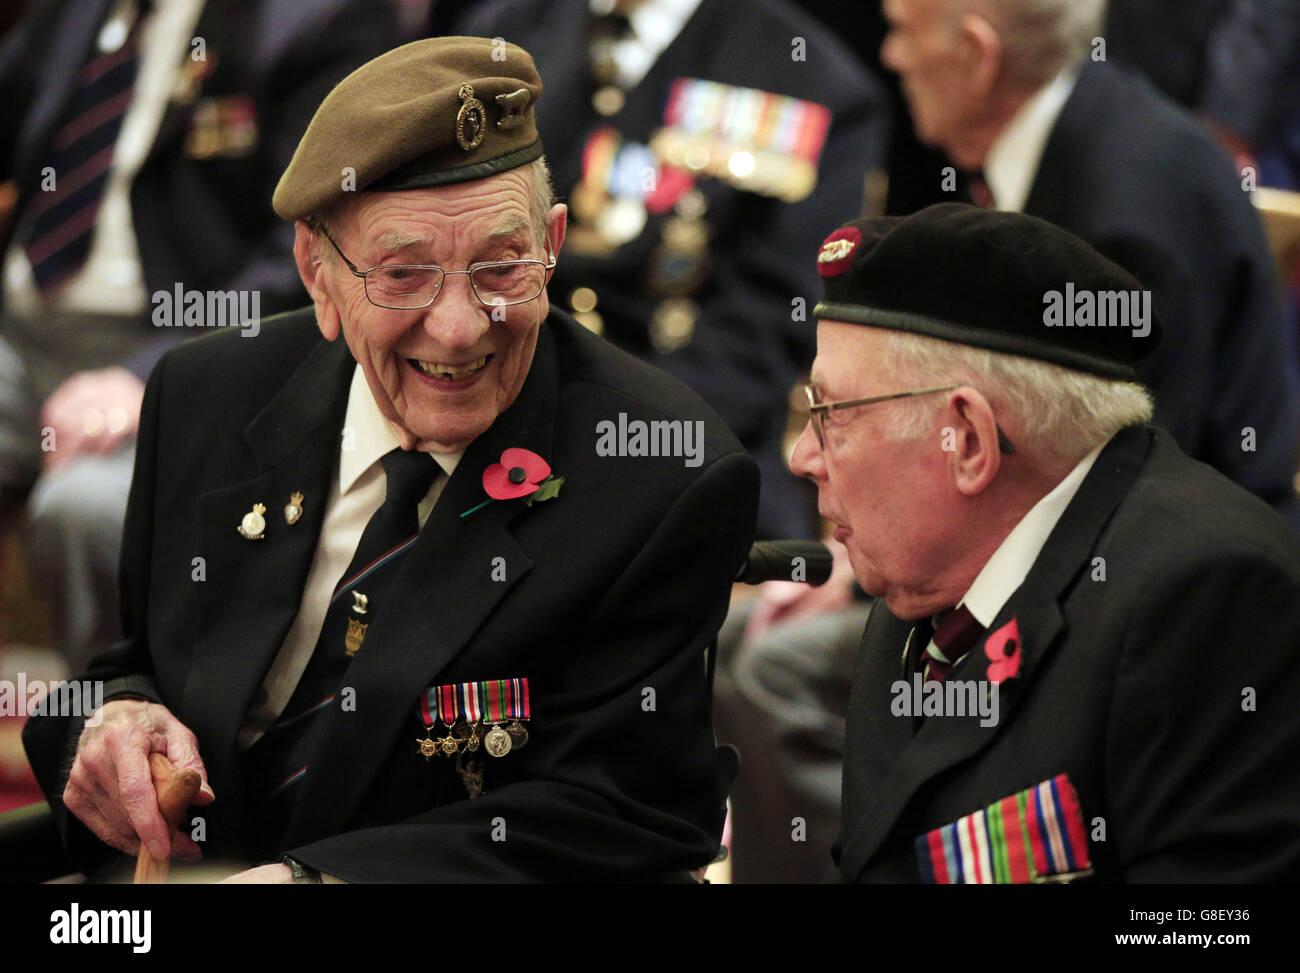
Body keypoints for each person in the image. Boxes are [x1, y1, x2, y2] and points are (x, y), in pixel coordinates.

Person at [22, 36, 759, 883]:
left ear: (552, 244)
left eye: (501, 265)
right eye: (403, 275)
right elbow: (131, 661)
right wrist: (115, 719)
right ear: (317, 274)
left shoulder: (661, 476)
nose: (459, 326)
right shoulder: (208, 394)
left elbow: (616, 815)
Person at [791, 204, 1300, 882]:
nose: (803, 455)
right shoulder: (929, 577)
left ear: (967, 439)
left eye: (832, 415)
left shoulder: (1204, 595)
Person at [0, 0, 400, 668]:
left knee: (90, 512)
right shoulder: (79, 10)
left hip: (184, 346)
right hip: (20, 332)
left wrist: (144, 374)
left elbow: (310, 256)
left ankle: (115, 736)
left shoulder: (316, 21)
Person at [451, 0, 890, 539]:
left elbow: (765, 328)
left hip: (679, 448)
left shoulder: (806, 72)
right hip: (479, 422)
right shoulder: (504, 29)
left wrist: (597, 439)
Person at [879, 0, 1300, 517]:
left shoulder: (1122, 231)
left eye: (902, 31)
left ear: (976, 54)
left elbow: (1113, 502)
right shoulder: (1085, 125)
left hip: (1196, 582)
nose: (892, 55)